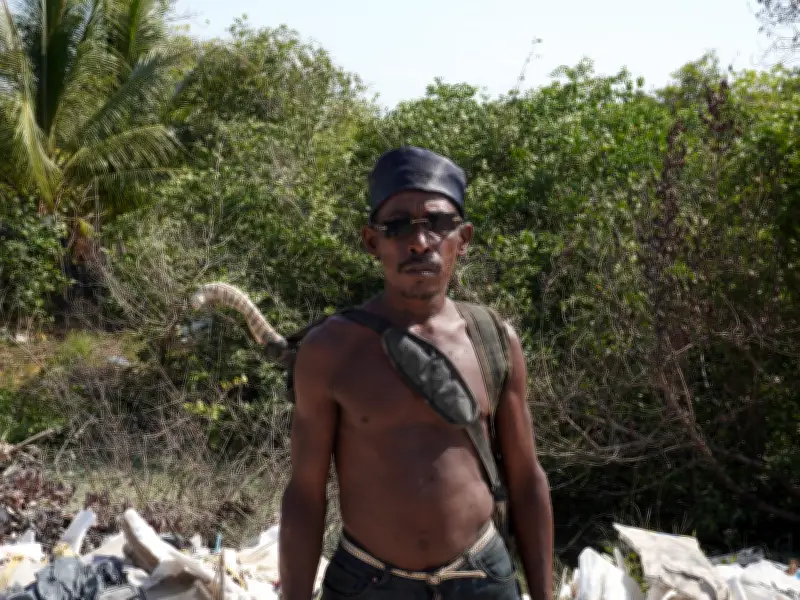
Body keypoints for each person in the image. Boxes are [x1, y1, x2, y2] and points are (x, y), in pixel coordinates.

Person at [278, 146, 554, 600]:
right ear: (373, 242)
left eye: (438, 223)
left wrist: (544, 595)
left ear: (463, 238)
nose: (420, 242)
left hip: (481, 580)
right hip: (368, 584)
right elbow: (305, 494)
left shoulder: (493, 340)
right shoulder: (331, 350)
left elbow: (527, 479)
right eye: (398, 226)